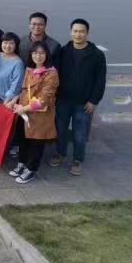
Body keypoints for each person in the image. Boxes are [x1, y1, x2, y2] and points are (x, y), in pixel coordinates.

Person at [50, 19, 106, 177]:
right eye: (75, 31)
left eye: (81, 31)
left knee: (80, 133)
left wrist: (94, 101)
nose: (78, 34)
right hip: (63, 100)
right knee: (60, 129)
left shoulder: (96, 55)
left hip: (84, 102)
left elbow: (100, 80)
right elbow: (54, 73)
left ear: (87, 33)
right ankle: (60, 153)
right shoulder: (63, 51)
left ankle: (77, 159)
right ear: (70, 32)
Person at [9, 41, 59, 184]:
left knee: (36, 143)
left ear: (47, 54)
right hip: (24, 112)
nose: (38, 56)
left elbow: (44, 99)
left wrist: (23, 108)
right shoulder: (29, 69)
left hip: (40, 115)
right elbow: (23, 90)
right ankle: (21, 163)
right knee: (23, 140)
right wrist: (14, 100)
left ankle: (31, 169)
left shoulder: (52, 73)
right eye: (35, 53)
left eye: (41, 53)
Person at [0, 32, 25, 107]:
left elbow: (16, 86)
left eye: (11, 43)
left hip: (4, 100)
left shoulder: (18, 63)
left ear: (16, 46)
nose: (8, 46)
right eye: (5, 43)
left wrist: (6, 101)